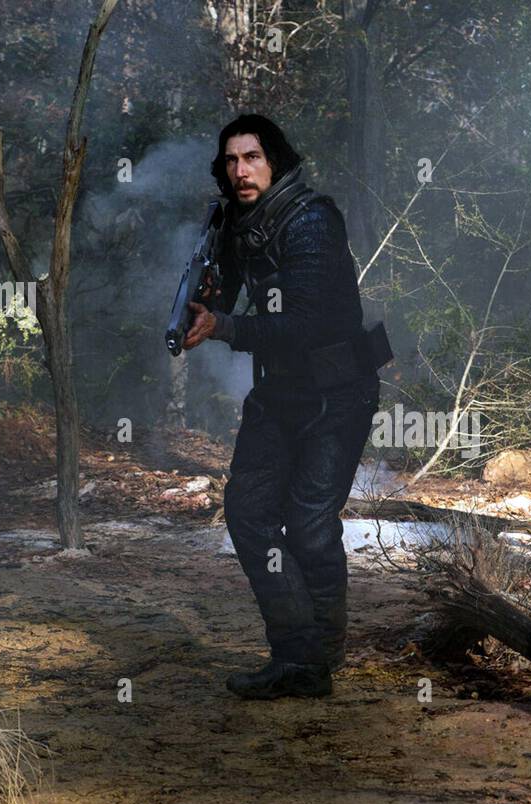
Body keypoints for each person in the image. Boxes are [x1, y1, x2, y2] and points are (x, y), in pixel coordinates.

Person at [182, 114, 383, 700]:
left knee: (310, 525)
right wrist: (210, 293)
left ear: (277, 161)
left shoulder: (310, 221)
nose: (241, 171)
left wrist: (223, 325)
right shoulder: (242, 222)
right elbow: (229, 286)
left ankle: (313, 659)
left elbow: (301, 324)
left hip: (337, 392)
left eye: (253, 157)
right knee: (247, 513)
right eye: (231, 160)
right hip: (282, 392)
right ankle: (300, 655)